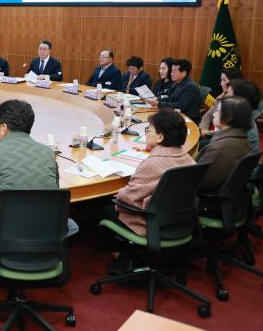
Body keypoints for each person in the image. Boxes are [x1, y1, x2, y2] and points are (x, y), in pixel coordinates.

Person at [95, 109, 194, 267]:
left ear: (160, 137)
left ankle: (123, 256)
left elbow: (129, 197)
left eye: (149, 130)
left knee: (100, 208)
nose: (146, 134)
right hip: (180, 222)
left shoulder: (153, 163)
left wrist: (118, 192)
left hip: (151, 223)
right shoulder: (188, 159)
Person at [0, 99, 59, 250]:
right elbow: (54, 190)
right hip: (44, 243)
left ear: (4, 128)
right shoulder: (48, 153)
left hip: (0, 245)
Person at [196, 96, 253, 193]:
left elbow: (202, 184)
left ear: (229, 118)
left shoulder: (219, 148)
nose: (214, 114)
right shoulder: (243, 138)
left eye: (218, 111)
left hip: (202, 194)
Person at [198, 68, 243, 139]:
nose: (221, 83)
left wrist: (208, 133)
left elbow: (229, 130)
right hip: (210, 133)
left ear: (234, 81)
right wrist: (203, 129)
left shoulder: (237, 103)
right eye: (221, 80)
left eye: (224, 80)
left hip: (222, 138)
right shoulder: (221, 96)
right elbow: (208, 115)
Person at [228, 79, 263, 153]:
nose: (226, 96)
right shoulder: (244, 117)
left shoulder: (241, 125)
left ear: (240, 101)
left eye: (229, 94)